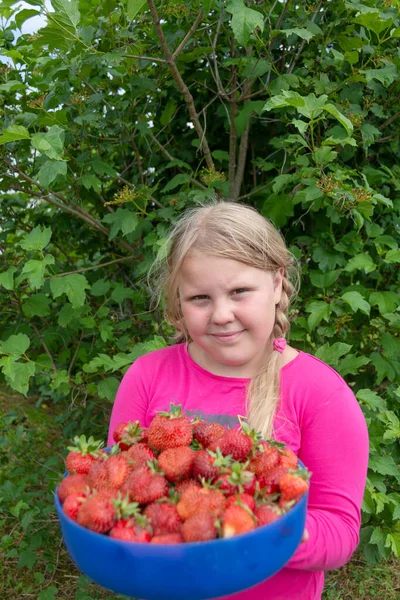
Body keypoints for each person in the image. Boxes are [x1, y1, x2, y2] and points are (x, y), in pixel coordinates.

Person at [107, 200, 369, 600]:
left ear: (277, 283)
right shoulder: (146, 377)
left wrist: (260, 531)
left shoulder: (321, 394)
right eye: (200, 298)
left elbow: (339, 530)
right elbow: (115, 490)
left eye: (239, 291)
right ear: (178, 300)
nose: (222, 314)